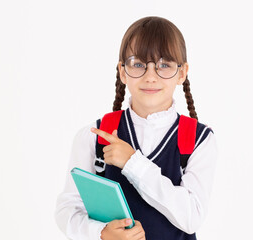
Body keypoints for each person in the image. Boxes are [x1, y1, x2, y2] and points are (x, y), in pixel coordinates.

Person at [54, 16, 218, 240]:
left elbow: (192, 217)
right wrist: (101, 233)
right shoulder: (94, 136)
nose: (151, 77)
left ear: (182, 73)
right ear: (122, 71)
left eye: (164, 65)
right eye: (138, 64)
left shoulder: (199, 139)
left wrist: (132, 162)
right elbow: (67, 211)